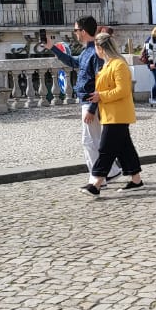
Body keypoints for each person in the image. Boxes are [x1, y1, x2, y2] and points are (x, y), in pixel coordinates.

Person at [48, 17, 120, 185]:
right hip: (88, 100)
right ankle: (111, 172)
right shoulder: (88, 50)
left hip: (90, 101)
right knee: (95, 140)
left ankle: (97, 178)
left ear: (83, 31)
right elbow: (73, 62)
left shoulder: (95, 52)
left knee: (89, 141)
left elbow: (99, 82)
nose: (75, 34)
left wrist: (92, 108)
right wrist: (52, 48)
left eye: (76, 30)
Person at [83, 33, 144, 195]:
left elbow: (123, 90)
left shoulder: (118, 65)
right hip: (111, 113)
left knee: (106, 149)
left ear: (101, 48)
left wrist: (101, 96)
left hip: (118, 114)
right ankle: (136, 180)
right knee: (124, 148)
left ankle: (96, 184)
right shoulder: (108, 65)